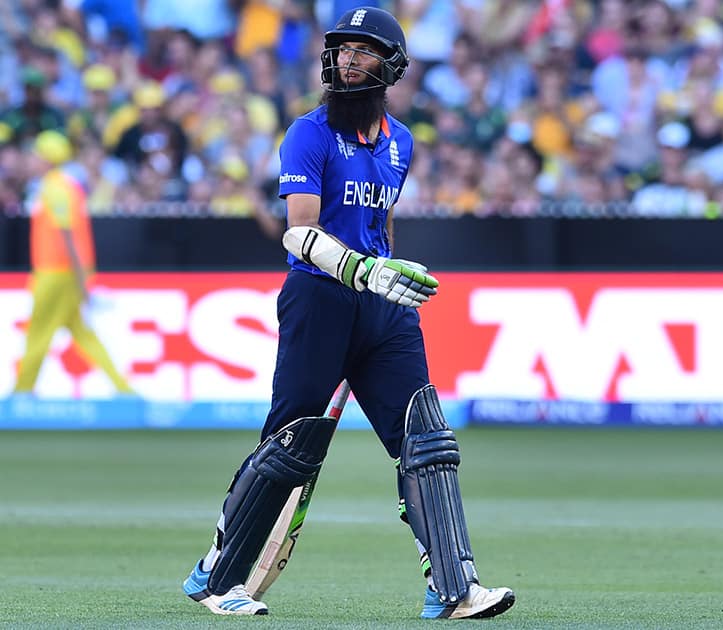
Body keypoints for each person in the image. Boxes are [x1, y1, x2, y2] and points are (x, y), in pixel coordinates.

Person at [181, 7, 515, 620]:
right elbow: (298, 233)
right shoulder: (308, 133)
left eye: (364, 51)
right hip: (320, 299)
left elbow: (377, 226)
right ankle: (219, 577)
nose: (349, 60)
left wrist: (385, 268)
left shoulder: (402, 142)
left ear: (391, 67)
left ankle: (454, 587)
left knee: (427, 439)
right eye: (342, 50)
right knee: (291, 445)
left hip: (382, 310)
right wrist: (365, 270)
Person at [14, 130, 133, 396]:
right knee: (82, 334)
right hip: (62, 272)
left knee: (38, 331)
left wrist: (81, 280)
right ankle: (124, 389)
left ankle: (21, 393)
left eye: (35, 155)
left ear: (46, 159)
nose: (31, 160)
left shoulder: (55, 187)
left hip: (56, 273)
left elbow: (67, 236)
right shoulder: (64, 185)